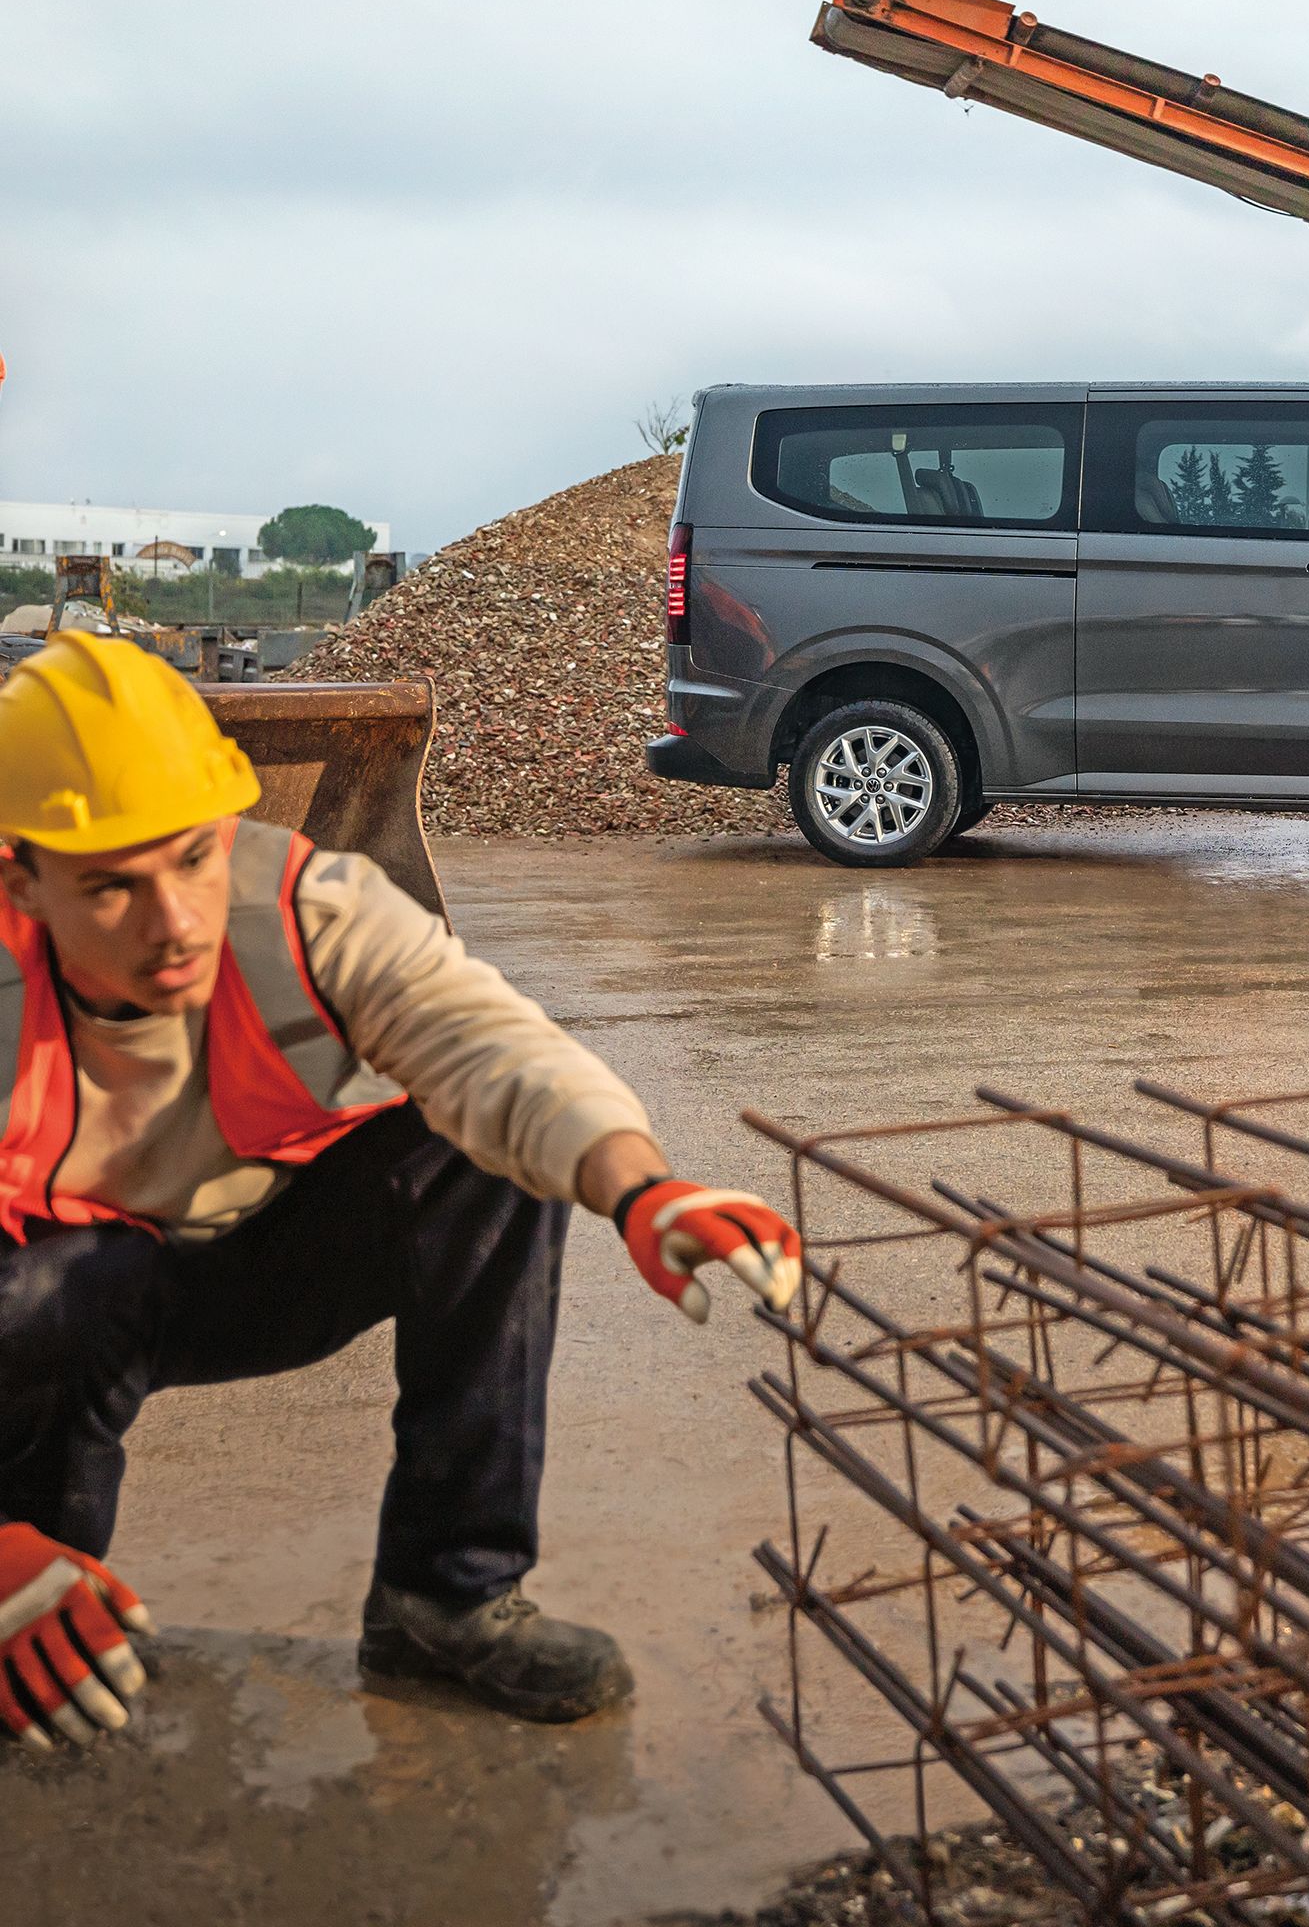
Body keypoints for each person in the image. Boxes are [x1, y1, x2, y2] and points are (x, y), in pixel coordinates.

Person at [0, 634, 804, 1751]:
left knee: (484, 1157)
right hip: (52, 1308)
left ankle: (446, 1596)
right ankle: (29, 1600)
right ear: (20, 881)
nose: (174, 921)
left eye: (191, 859)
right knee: (57, 1302)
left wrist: (640, 1189)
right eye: (110, 887)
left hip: (258, 1264)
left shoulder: (304, 907)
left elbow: (488, 1044)